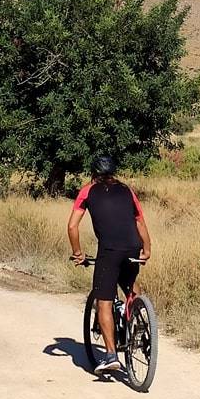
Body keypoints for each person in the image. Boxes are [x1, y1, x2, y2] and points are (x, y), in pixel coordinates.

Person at [67, 154, 152, 375]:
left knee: (103, 300)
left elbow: (72, 227)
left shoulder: (87, 190)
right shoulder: (127, 190)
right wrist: (147, 248)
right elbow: (139, 221)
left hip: (110, 250)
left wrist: (78, 253)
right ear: (113, 171)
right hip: (133, 246)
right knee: (130, 284)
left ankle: (111, 355)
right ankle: (138, 317)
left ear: (93, 172)